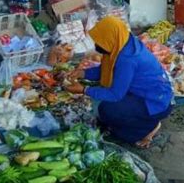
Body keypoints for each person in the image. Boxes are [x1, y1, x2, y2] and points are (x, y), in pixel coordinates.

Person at [65, 16, 173, 148]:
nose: (97, 46)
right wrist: (83, 73)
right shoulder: (122, 43)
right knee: (105, 113)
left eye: (100, 42)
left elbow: (115, 95)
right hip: (141, 93)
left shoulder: (127, 59)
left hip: (155, 101)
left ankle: (149, 128)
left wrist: (84, 90)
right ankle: (136, 120)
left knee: (108, 110)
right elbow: (106, 70)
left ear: (110, 38)